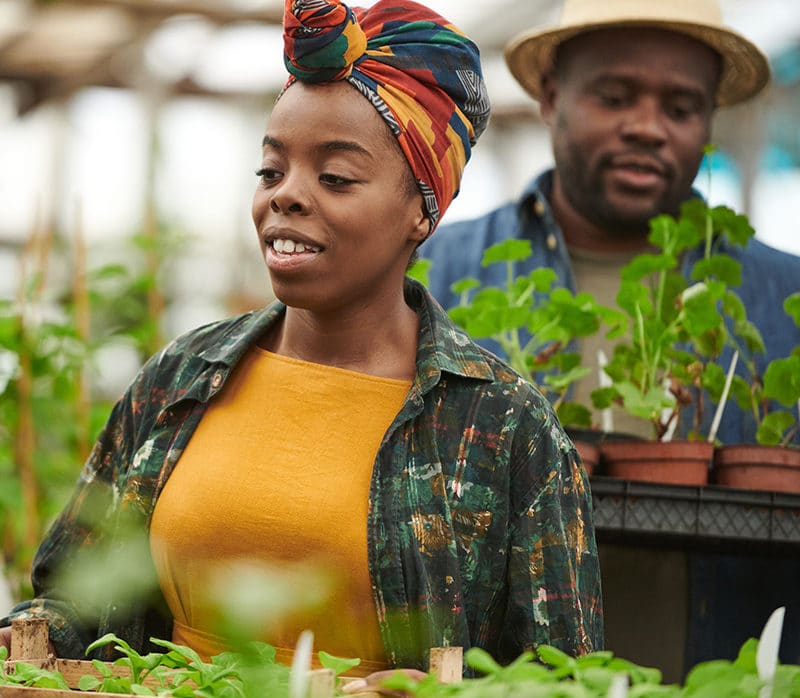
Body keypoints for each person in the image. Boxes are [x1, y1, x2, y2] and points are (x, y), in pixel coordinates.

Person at [0, 0, 602, 680]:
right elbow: (73, 597)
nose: (285, 196)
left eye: (335, 177)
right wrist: (29, 634)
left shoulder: (500, 425)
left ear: (420, 211)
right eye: (270, 170)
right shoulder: (181, 379)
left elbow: (561, 677)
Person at [419, 0, 800, 445]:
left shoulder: (786, 298)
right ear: (551, 96)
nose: (647, 127)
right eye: (615, 98)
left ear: (710, 119)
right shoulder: (429, 276)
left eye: (681, 108)